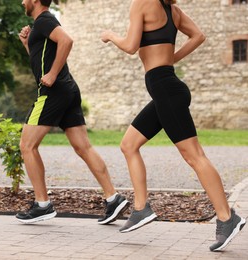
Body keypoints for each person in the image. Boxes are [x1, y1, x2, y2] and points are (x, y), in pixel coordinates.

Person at [100, 0, 245, 252]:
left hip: (166, 90)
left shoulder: (141, 3)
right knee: (129, 145)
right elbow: (198, 36)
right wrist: (170, 59)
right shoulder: (173, 11)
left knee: (195, 156)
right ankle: (141, 208)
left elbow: (131, 46)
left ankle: (227, 217)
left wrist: (111, 35)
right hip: (166, 88)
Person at [16, 0, 129, 224]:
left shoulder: (45, 20)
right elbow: (41, 59)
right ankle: (113, 198)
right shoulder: (40, 26)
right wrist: (28, 44)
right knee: (83, 146)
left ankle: (42, 204)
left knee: (27, 146)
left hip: (53, 92)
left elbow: (67, 40)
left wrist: (52, 74)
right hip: (68, 90)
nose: (22, 2)